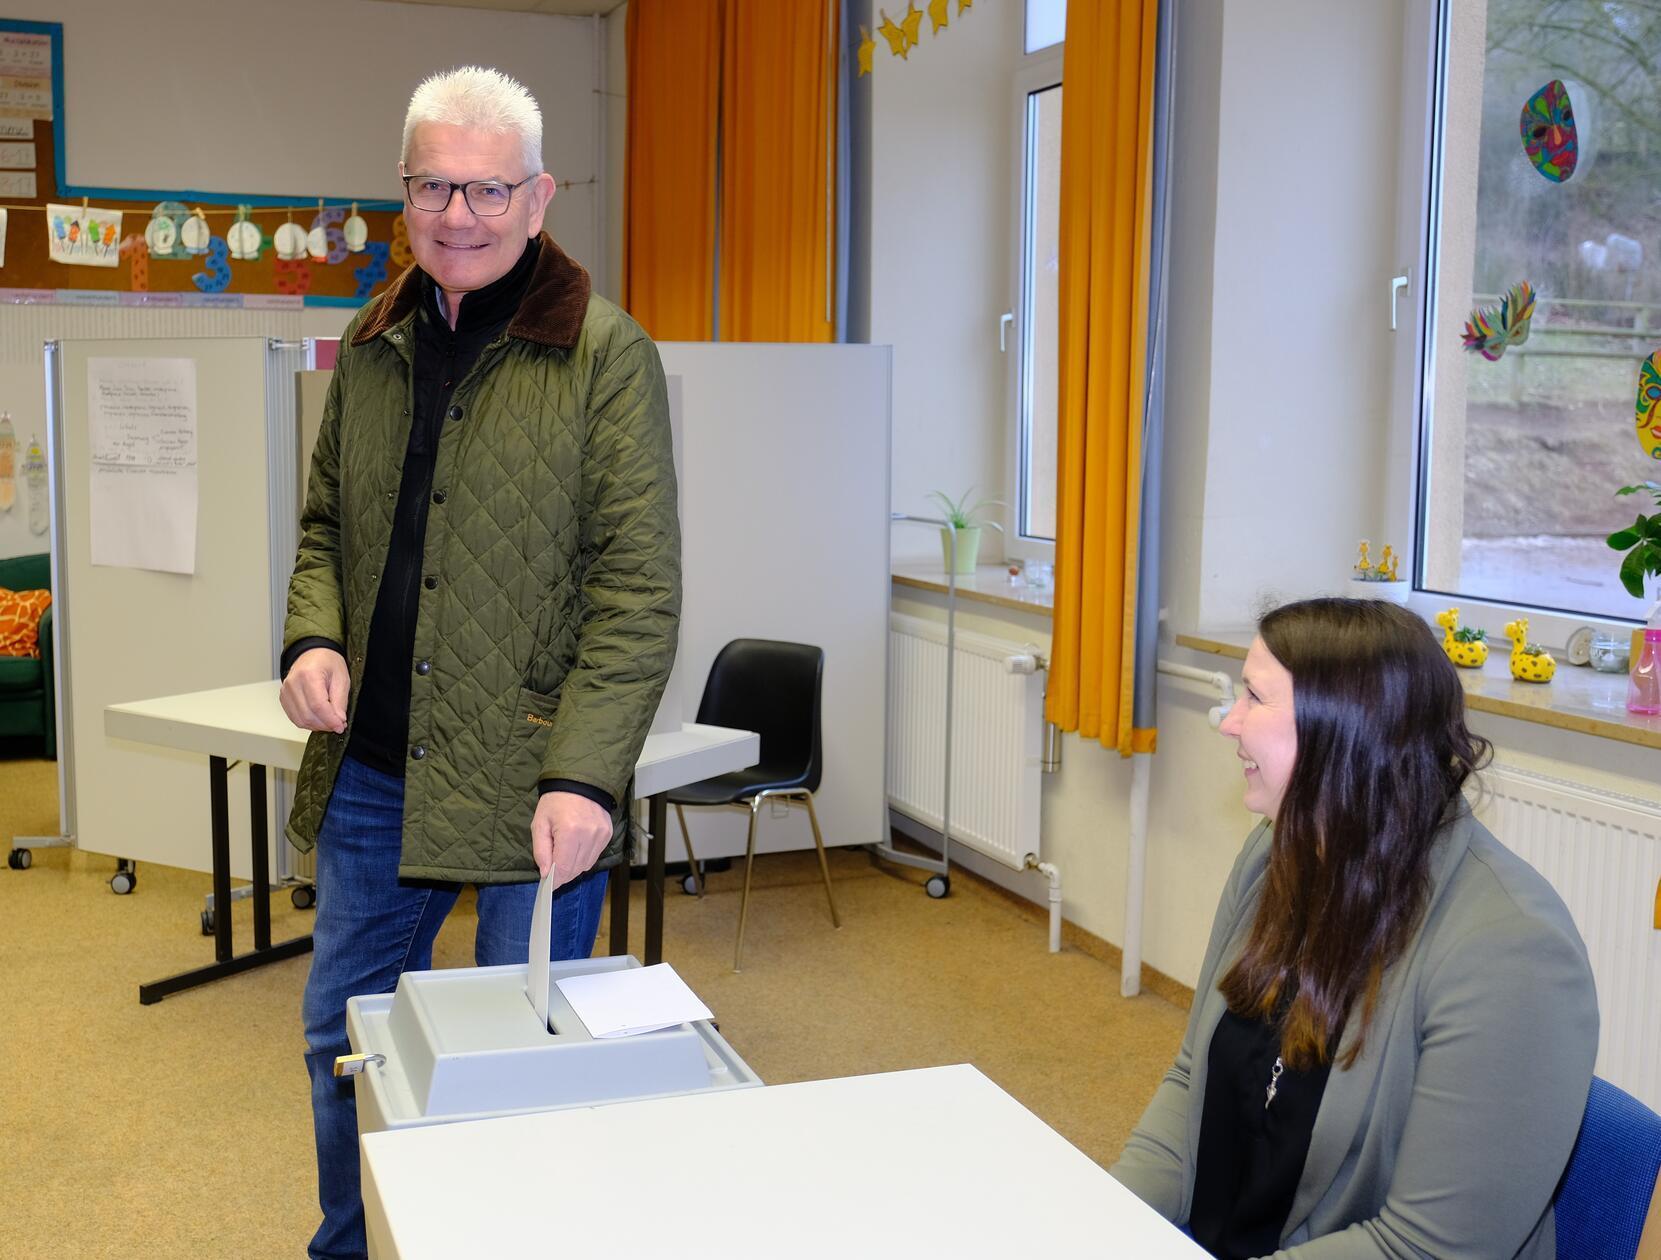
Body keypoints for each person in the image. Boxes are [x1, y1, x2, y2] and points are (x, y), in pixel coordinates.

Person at [279, 66, 680, 1260]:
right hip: (371, 777)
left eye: (487, 188)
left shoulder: (605, 357)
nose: (459, 214)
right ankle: (355, 1246)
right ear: (404, 192)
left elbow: (637, 592)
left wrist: (585, 773)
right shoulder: (374, 337)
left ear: (539, 194)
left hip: (528, 784)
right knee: (343, 1041)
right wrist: (310, 635)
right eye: (434, 186)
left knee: (513, 1066)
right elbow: (322, 535)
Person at [1111, 599, 1597, 1259]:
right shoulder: (1275, 853)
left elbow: (1424, 1250)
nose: (1229, 723)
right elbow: (1191, 1079)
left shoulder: (1511, 954)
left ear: (1345, 732)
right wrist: (1102, 1218)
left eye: (1254, 697)